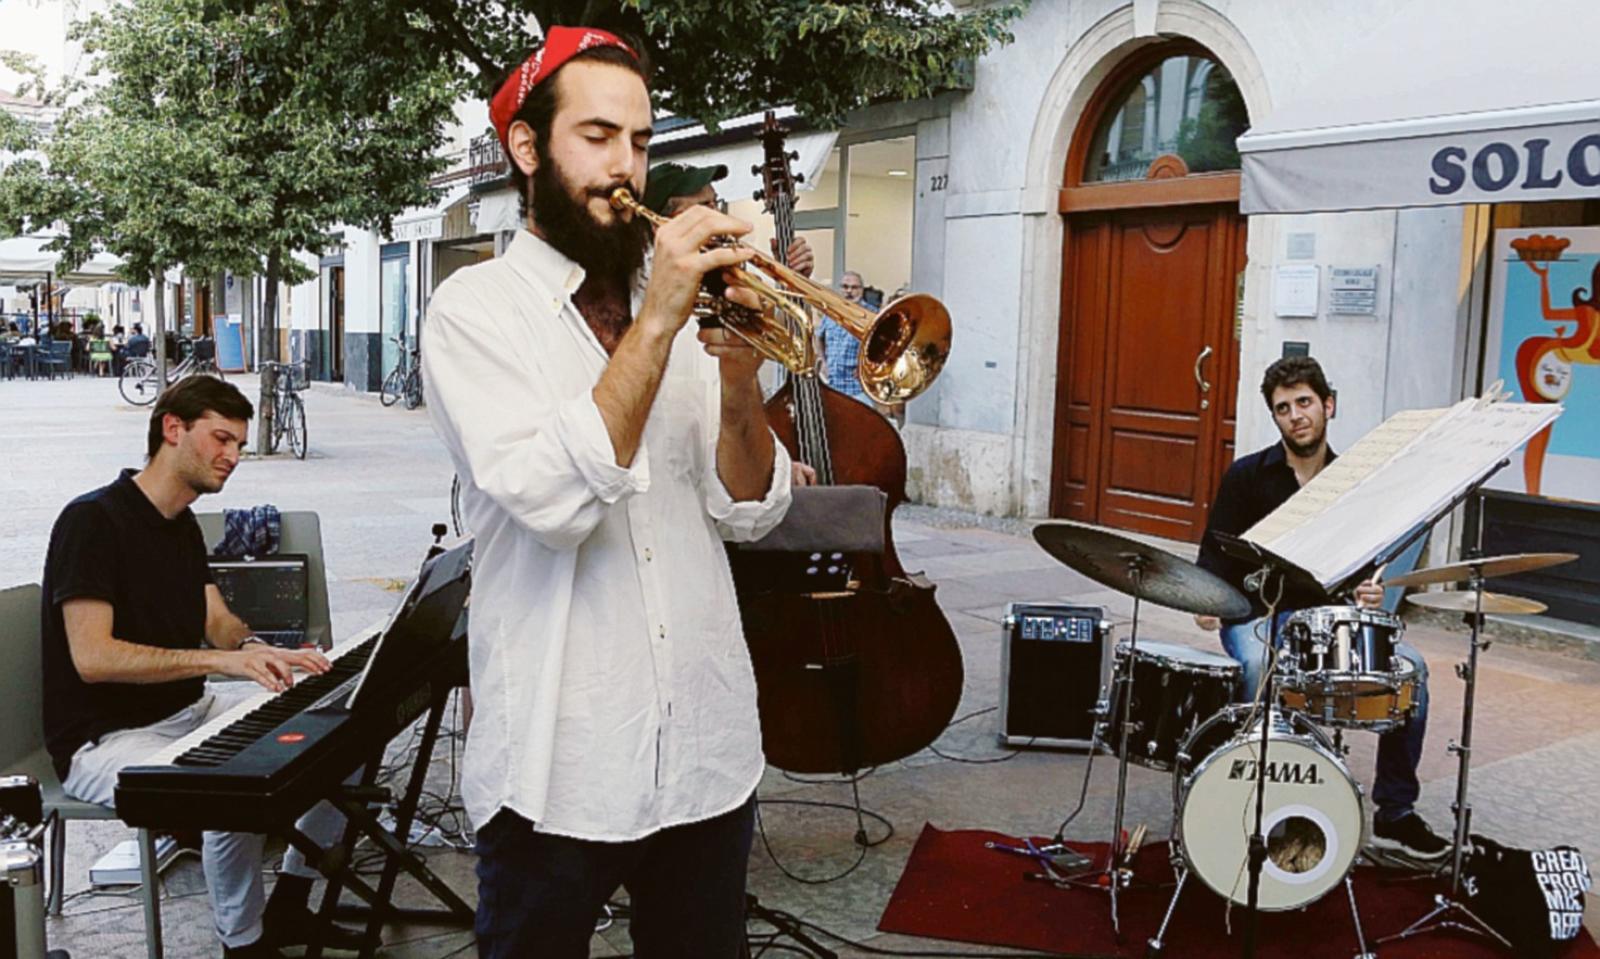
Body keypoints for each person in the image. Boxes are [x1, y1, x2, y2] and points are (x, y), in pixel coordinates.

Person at [421, 27, 793, 958]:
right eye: (595, 136)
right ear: (527, 148)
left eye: (638, 139)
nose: (625, 165)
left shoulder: (678, 302)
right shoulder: (474, 311)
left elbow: (748, 507)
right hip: (559, 765)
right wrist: (661, 315)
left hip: (705, 752)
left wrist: (742, 380)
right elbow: (554, 501)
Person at [40, 376, 362, 958]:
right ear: (172, 429)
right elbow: (92, 658)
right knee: (232, 786)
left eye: (238, 444)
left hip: (190, 711)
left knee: (343, 731)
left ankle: (289, 902)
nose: (233, 457)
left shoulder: (181, 522)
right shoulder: (92, 522)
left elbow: (217, 622)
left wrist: (259, 647)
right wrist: (221, 662)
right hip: (105, 741)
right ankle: (243, 945)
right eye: (221, 439)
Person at [1195, 356, 1448, 861]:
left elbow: (1362, 570)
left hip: (1328, 625)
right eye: (1283, 408)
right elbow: (1212, 558)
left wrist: (1368, 594)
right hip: (1258, 616)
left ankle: (1395, 811)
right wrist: (1207, 600)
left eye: (1305, 402)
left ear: (1328, 405)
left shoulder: (1353, 482)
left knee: (1411, 671)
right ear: (1275, 418)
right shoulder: (1247, 477)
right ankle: (1242, 797)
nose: (1296, 415)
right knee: (1255, 665)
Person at [644, 159, 820, 488]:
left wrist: (794, 287)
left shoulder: (734, 286)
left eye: (717, 203)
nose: (720, 217)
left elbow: (777, 370)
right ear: (663, 224)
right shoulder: (644, 305)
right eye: (705, 207)